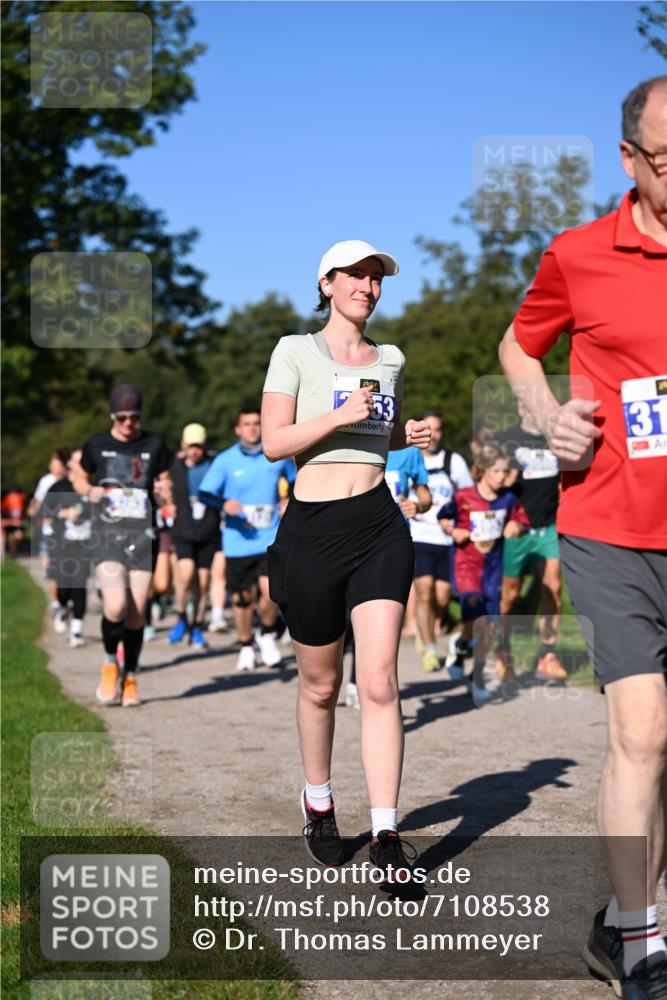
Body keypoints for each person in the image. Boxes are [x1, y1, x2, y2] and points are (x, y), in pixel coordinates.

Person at [498, 76, 667, 998]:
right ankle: (641, 945)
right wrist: (546, 412)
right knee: (640, 732)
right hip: (609, 523)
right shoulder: (576, 254)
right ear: (629, 159)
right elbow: (518, 347)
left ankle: (615, 917)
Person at [262, 239, 431, 875]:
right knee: (322, 683)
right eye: (355, 276)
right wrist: (336, 417)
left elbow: (375, 431)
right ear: (327, 283)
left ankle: (388, 834)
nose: (367, 285)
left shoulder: (390, 358)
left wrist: (403, 433)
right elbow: (277, 442)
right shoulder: (294, 351)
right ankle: (320, 802)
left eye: (375, 277)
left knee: (381, 681)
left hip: (379, 524)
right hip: (311, 531)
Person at [74, 385, 172, 707]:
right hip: (107, 535)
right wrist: (89, 491)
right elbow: (79, 478)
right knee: (115, 605)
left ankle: (130, 675)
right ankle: (108, 664)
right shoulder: (96, 445)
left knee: (136, 615)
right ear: (113, 416)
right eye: (123, 418)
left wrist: (163, 492)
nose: (129, 424)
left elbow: (165, 481)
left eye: (135, 417)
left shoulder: (155, 444)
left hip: (142, 537)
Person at [199, 407, 295, 671]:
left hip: (269, 537)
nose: (252, 428)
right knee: (241, 598)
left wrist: (289, 499)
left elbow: (297, 480)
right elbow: (205, 493)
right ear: (238, 429)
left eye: (256, 423)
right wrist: (224, 504)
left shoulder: (275, 454)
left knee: (273, 592)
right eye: (247, 424)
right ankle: (244, 645)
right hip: (237, 541)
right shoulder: (225, 460)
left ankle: (265, 634)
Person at [439, 443, 529, 703]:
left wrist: (516, 526)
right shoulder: (463, 497)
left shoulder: (509, 499)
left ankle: (476, 676)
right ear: (481, 471)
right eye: (497, 471)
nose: (502, 476)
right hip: (467, 567)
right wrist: (452, 530)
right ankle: (460, 645)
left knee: (488, 627)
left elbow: (521, 521)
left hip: (493, 570)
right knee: (474, 617)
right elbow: (444, 517)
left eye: (505, 471)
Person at [494, 401, 567, 682]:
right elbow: (490, 480)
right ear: (520, 407)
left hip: (549, 525)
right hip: (516, 528)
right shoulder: (506, 440)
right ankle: (503, 649)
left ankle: (547, 654)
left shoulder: (556, 440)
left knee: (553, 587)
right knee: (509, 594)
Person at [410, 411, 474, 673]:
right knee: (424, 592)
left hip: (447, 539)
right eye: (428, 429)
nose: (433, 435)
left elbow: (468, 497)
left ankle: (424, 630)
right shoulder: (407, 459)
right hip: (417, 536)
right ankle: (429, 647)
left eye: (437, 429)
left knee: (442, 597)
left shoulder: (453, 461)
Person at [168, 423, 221, 649]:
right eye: (191, 446)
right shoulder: (174, 467)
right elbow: (162, 489)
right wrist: (165, 502)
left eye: (198, 446)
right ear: (183, 446)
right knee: (185, 574)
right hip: (183, 530)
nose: (194, 451)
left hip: (208, 531)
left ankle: (197, 627)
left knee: (201, 582)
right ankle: (181, 616)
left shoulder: (213, 465)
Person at [42, 449, 93, 647]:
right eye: (77, 461)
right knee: (63, 587)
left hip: (85, 544)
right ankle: (61, 607)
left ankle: (77, 631)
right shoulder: (58, 487)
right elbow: (45, 512)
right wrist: (64, 513)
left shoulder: (91, 487)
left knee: (80, 585)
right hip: (62, 545)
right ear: (70, 464)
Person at [28, 449, 69, 620]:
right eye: (53, 464)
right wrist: (33, 509)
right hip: (48, 530)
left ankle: (65, 599)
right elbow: (38, 500)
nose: (55, 468)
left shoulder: (71, 481)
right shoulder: (46, 481)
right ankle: (55, 603)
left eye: (58, 464)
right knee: (51, 567)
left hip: (68, 531)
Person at [1, 486, 27, 557]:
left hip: (19, 520)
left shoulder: (21, 497)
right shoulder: (6, 498)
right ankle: (12, 551)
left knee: (18, 536)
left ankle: (13, 550)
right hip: (10, 520)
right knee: (12, 536)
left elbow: (24, 508)